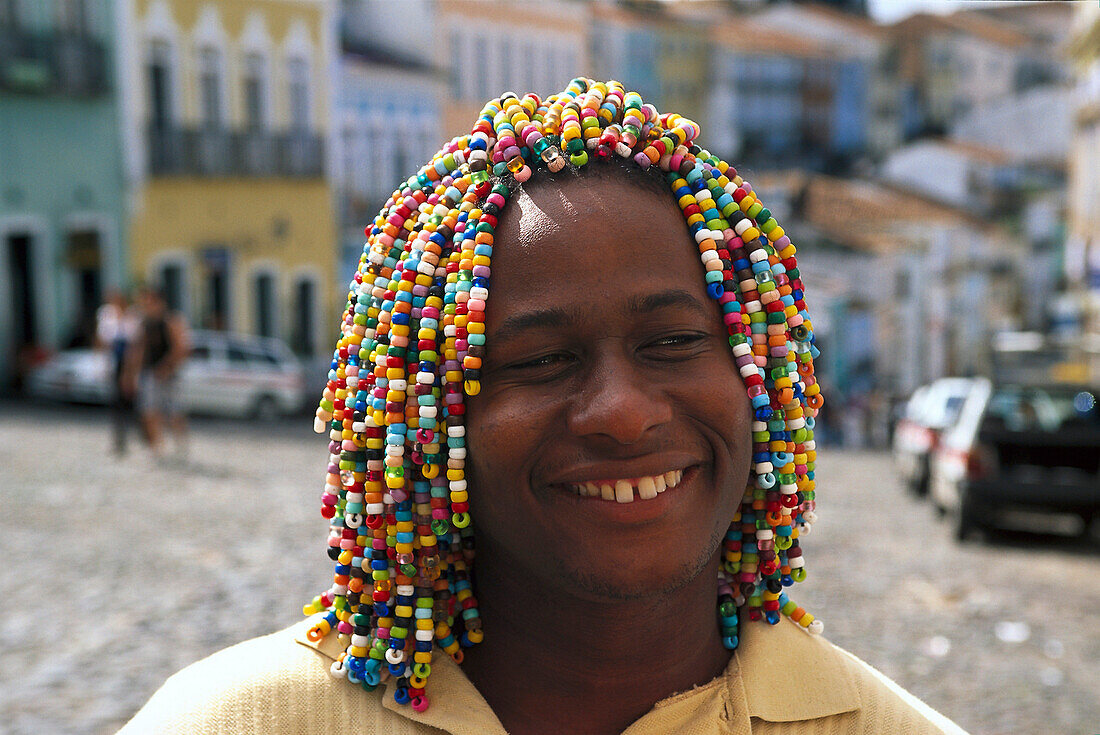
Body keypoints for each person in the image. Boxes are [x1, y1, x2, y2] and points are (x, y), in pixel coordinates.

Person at [121, 79, 967, 734]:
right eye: (541, 359)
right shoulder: (237, 720)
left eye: (672, 342)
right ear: (421, 423)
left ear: (767, 379)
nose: (622, 412)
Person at [124, 285, 190, 461]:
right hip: (150, 372)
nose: (146, 305)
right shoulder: (144, 323)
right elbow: (138, 350)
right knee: (149, 411)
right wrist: (130, 374)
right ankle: (156, 447)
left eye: (149, 301)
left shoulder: (171, 321)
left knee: (174, 412)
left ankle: (180, 445)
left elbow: (181, 348)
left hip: (170, 374)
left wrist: (166, 367)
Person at [95, 288, 139, 455]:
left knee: (132, 402)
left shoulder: (132, 317)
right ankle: (120, 440)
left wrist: (130, 371)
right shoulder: (106, 316)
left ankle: (143, 435)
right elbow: (102, 342)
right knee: (117, 403)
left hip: (128, 363)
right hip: (115, 362)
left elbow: (134, 345)